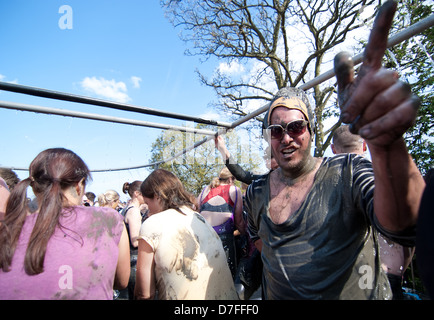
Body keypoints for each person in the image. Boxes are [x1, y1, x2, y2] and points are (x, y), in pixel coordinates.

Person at [245, 1, 425, 300]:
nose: (286, 138)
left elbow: (408, 227)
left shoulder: (348, 172)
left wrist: (386, 145)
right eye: (276, 131)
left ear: (311, 132)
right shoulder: (256, 193)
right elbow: (261, 243)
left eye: (295, 127)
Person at [0, 148, 130, 299]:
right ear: (79, 185)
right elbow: (121, 280)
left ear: (34, 188)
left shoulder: (7, 230)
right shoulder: (109, 220)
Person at [332, 124, 415, 299]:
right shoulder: (386, 181)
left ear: (333, 149)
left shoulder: (323, 187)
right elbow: (410, 234)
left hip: (342, 282)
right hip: (389, 278)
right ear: (364, 146)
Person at [134, 169, 238, 300]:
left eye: (147, 204)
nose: (148, 210)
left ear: (157, 197)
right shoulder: (198, 218)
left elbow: (144, 294)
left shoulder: (151, 224)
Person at [198, 167, 245, 278]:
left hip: (204, 239)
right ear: (230, 179)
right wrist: (246, 235)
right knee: (228, 279)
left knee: (205, 278)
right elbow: (239, 221)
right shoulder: (234, 190)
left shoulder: (205, 190)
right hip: (224, 241)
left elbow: (195, 211)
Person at [119, 180, 145, 299]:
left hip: (128, 259)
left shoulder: (127, 208)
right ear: (136, 193)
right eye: (144, 193)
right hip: (134, 261)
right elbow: (135, 241)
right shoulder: (134, 211)